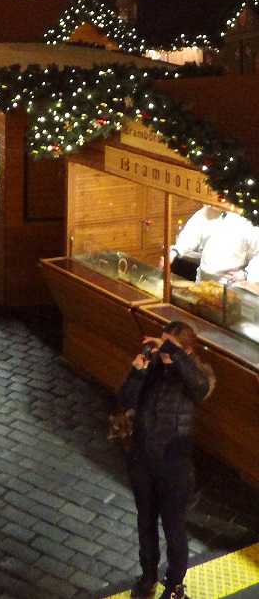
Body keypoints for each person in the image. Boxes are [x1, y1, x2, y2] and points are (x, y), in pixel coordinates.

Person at [117, 322, 215, 599]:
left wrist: (171, 351)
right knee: (145, 521)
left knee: (174, 526)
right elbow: (124, 399)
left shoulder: (197, 377)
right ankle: (148, 576)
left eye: (170, 346)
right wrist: (137, 372)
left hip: (174, 465)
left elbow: (198, 386)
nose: (164, 351)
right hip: (142, 460)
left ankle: (175, 585)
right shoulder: (153, 369)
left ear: (187, 349)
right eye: (163, 344)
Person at [169, 203, 259, 282]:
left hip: (229, 283)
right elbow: (190, 235)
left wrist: (246, 273)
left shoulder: (247, 220)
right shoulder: (207, 211)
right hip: (203, 279)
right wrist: (174, 252)